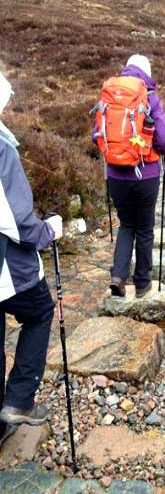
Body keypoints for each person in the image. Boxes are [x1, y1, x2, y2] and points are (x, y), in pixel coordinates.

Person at [0, 72, 63, 445]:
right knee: (39, 311)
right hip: (6, 264)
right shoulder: (2, 147)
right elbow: (16, 220)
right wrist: (48, 232)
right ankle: (19, 400)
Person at [93, 55, 165, 298]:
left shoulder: (109, 95)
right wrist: (164, 148)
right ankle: (141, 284)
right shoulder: (149, 97)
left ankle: (118, 276)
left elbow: (96, 134)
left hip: (116, 175)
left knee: (127, 225)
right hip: (145, 175)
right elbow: (163, 139)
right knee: (145, 229)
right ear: (146, 71)